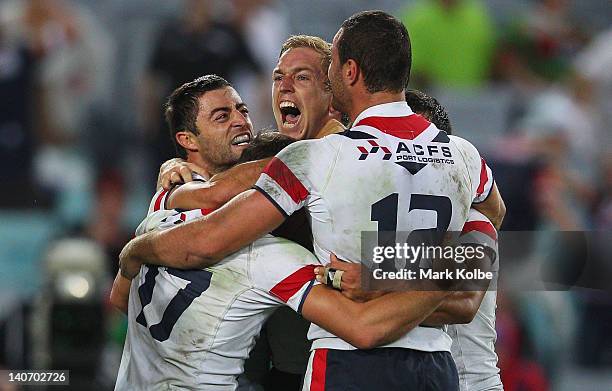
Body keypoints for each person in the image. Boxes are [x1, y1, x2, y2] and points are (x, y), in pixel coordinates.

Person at [119, 11, 501, 390]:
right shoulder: (465, 156)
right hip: (436, 366)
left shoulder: (319, 158)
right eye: (278, 78)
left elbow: (205, 243)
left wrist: (137, 248)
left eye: (325, 67)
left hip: (348, 359)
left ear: (348, 73)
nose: (287, 86)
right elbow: (491, 222)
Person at [325, 89, 503, 391]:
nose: (403, 158)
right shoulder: (382, 223)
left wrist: (373, 283)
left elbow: (465, 304)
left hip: (469, 382)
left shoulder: (476, 226)